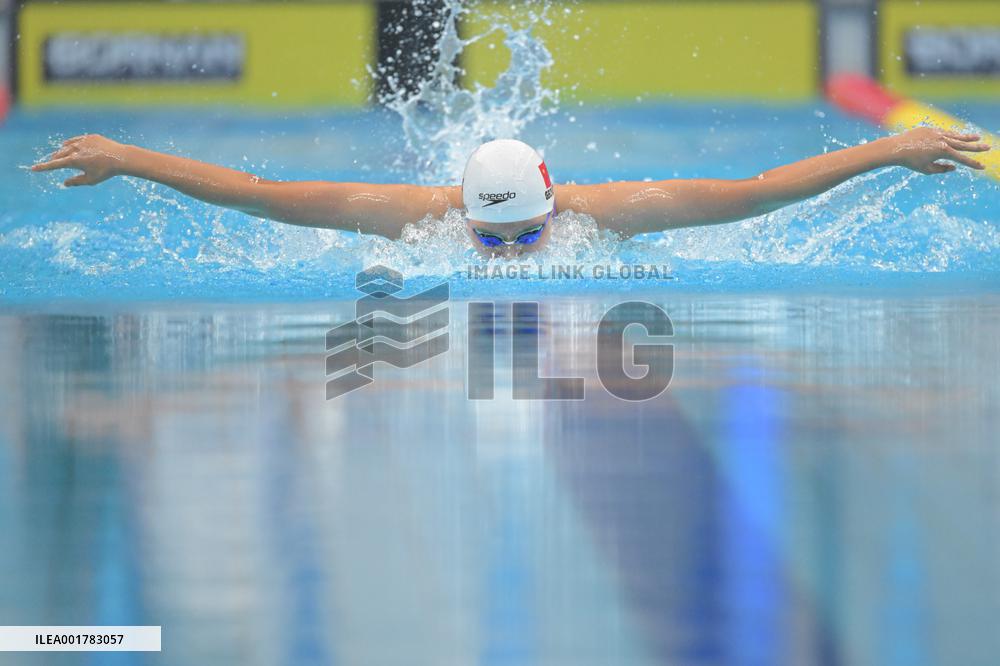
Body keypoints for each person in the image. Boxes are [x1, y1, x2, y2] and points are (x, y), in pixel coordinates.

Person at [32, 128, 989, 258]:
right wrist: (129, 157)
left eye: (527, 236)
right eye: (493, 242)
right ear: (462, 217)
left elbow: (754, 193)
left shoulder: (605, 215)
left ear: (553, 207)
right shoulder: (419, 220)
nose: (512, 256)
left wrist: (893, 147)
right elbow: (261, 194)